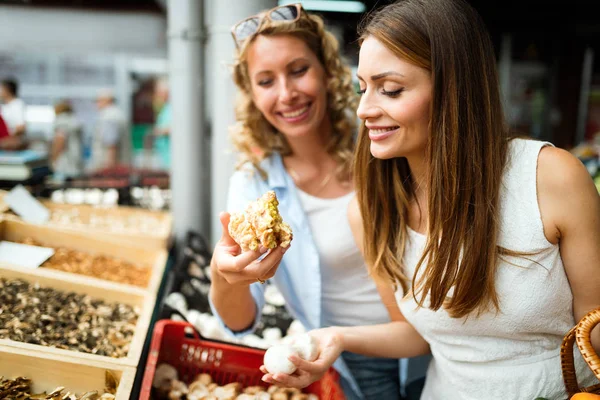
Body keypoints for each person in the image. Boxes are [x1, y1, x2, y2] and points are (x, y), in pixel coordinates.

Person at [260, 0, 600, 399]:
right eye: (362, 88)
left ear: (454, 88)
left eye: (390, 90)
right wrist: (335, 338)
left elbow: (594, 327)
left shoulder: (551, 177)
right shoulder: (370, 210)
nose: (365, 109)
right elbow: (417, 335)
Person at [209, 4, 428, 399]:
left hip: (440, 337)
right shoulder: (254, 185)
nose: (287, 93)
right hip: (350, 354)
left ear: (327, 71)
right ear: (251, 94)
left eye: (298, 70)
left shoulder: (385, 142)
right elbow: (240, 322)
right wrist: (224, 273)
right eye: (265, 80)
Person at [89, 89, 130, 171]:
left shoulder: (108, 117)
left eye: (98, 101)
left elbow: (111, 144)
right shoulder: (118, 114)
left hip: (108, 167)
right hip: (121, 166)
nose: (97, 104)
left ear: (107, 100)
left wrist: (110, 170)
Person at [50, 100, 83, 180]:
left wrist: (53, 159)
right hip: (76, 163)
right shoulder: (74, 120)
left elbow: (60, 142)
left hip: (65, 165)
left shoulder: (61, 120)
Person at [152, 78, 171, 170]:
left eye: (159, 92)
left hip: (171, 155)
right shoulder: (165, 107)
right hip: (164, 155)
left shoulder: (173, 107)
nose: (157, 95)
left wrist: (160, 131)